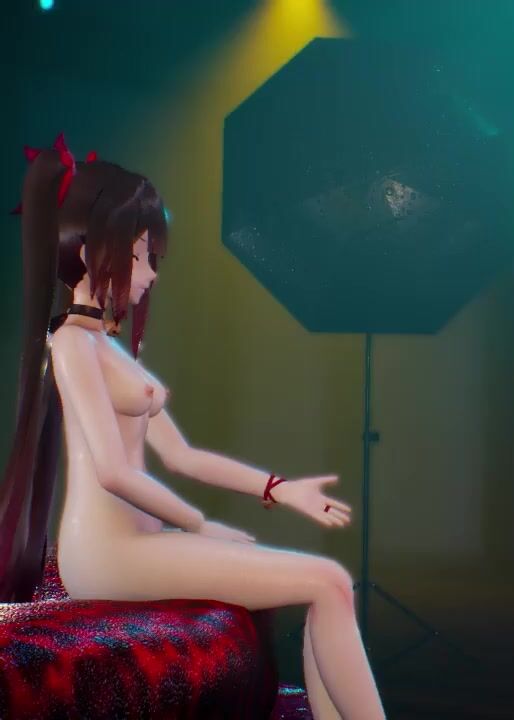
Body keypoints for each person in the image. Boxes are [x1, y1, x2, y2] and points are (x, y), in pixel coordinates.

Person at [2, 135, 385, 720]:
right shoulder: (73, 344)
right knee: (327, 580)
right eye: (139, 256)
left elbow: (181, 456)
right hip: (106, 555)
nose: (150, 275)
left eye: (152, 258)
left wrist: (280, 489)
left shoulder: (107, 347)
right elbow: (112, 471)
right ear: (88, 250)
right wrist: (199, 523)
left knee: (327, 584)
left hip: (137, 545)